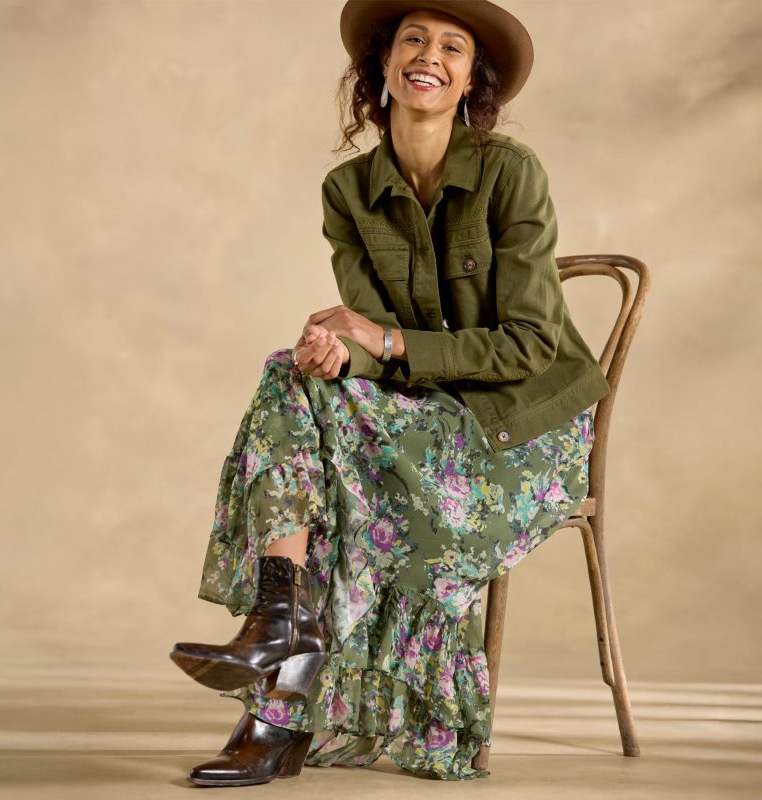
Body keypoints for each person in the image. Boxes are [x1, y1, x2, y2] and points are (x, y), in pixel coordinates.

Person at [170, 0, 610, 785]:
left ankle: (279, 689)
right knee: (291, 373)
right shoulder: (348, 191)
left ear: (471, 80)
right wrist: (339, 354)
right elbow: (372, 348)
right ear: (383, 62)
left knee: (334, 462)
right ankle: (281, 620)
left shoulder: (510, 172)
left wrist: (386, 343)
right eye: (413, 39)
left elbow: (529, 345)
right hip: (430, 416)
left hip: (524, 430)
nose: (428, 56)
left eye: (452, 47)